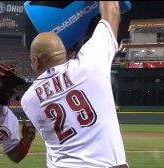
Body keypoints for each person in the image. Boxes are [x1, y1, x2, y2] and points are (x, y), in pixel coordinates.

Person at [21, 1, 128, 168]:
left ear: (35, 60)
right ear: (65, 52)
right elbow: (112, 12)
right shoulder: (90, 64)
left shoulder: (29, 100)